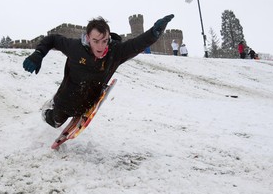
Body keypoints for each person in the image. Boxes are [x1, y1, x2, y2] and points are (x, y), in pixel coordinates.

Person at [23, 14, 174, 129]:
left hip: (90, 99)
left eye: (104, 41)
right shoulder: (75, 47)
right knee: (55, 122)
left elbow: (136, 44)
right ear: (88, 38)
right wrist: (38, 54)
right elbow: (52, 39)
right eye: (96, 41)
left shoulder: (115, 52)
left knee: (81, 103)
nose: (101, 46)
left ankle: (76, 107)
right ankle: (49, 108)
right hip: (66, 98)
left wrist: (154, 33)